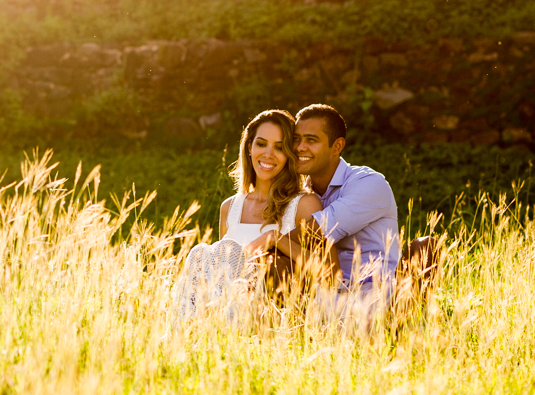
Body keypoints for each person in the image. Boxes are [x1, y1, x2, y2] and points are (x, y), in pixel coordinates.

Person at [269, 104, 440, 321]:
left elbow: (316, 232)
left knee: (426, 246)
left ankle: (399, 324)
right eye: (296, 139)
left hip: (379, 293)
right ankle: (282, 331)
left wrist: (268, 240)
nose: (300, 147)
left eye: (311, 140)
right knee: (275, 261)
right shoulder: (298, 194)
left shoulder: (368, 183)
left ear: (337, 146)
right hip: (324, 291)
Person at [173, 109, 327, 322]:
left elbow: (325, 271)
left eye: (279, 147)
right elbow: (217, 275)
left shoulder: (303, 204)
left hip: (272, 317)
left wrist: (276, 239)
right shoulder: (230, 207)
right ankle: (187, 330)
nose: (268, 154)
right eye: (261, 144)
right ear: (249, 147)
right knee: (199, 254)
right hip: (221, 315)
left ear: (290, 154)